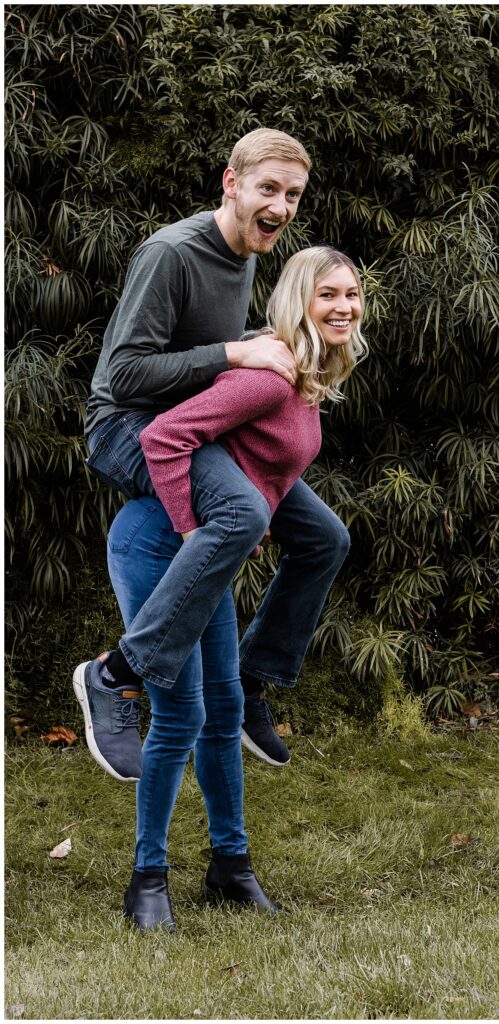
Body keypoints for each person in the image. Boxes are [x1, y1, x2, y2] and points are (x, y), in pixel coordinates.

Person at [73, 128, 350, 781]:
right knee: (242, 512)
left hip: (193, 427)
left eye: (292, 195)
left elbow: (206, 373)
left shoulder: (247, 252)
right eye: (268, 189)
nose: (281, 207)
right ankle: (113, 676)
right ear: (231, 182)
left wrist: (265, 351)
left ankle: (255, 677)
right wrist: (236, 353)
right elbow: (127, 376)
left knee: (324, 538)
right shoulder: (170, 254)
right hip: (126, 427)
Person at [106, 246, 366, 931]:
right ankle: (149, 877)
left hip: (204, 557)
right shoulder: (267, 377)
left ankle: (231, 866)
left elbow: (259, 474)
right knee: (183, 715)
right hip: (158, 545)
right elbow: (165, 437)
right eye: (327, 295)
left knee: (222, 713)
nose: (343, 306)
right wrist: (195, 530)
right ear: (296, 301)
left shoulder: (303, 374)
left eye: (352, 294)